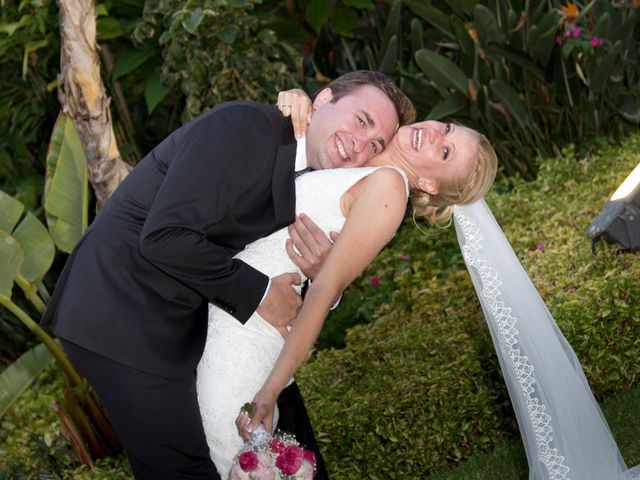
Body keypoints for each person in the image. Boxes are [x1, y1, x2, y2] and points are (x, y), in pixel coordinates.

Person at [40, 71, 415, 480]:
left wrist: (320, 273)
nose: (359, 144)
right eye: (360, 120)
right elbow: (165, 238)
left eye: (375, 143)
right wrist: (260, 295)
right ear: (323, 99)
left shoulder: (306, 162)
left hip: (185, 321)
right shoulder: (244, 128)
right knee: (185, 468)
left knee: (286, 431)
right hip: (122, 314)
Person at [197, 90, 498, 478]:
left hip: (241, 341)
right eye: (448, 129)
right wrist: (296, 101)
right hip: (219, 312)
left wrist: (268, 394)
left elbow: (322, 293)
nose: (437, 135)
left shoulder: (389, 187)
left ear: (430, 184)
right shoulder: (357, 157)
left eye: (445, 153)